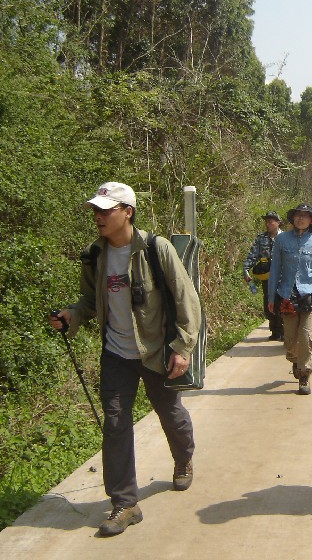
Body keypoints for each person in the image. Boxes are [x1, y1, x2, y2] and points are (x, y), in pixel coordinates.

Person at [48, 182, 202, 537]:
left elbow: (186, 300)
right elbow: (89, 301)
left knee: (171, 413)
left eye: (106, 210)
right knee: (115, 425)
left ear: (127, 212)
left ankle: (183, 457)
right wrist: (72, 314)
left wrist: (182, 348)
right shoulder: (95, 255)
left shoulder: (154, 249)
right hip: (115, 354)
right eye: (96, 211)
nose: (98, 217)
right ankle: (125, 503)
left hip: (154, 352)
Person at [268, 203, 312, 395]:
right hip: (287, 296)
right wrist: (271, 297)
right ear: (292, 218)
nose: (301, 218)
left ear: (311, 220)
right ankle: (295, 360)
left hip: (309, 295)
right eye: (298, 215)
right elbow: (275, 270)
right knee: (290, 340)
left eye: (305, 216)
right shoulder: (281, 240)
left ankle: (304, 375)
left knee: (306, 336)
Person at [243, 210, 283, 341]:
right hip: (268, 276)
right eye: (267, 221)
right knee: (269, 303)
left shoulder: (285, 238)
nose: (268, 223)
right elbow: (253, 254)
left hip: (283, 276)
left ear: (278, 223)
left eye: (271, 221)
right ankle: (275, 330)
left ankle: (284, 330)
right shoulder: (261, 238)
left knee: (282, 302)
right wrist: (246, 269)